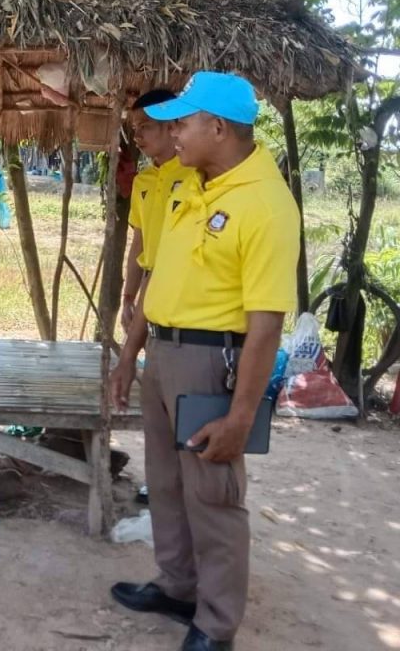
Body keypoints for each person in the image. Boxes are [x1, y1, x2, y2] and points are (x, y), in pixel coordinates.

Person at [109, 72, 300, 651]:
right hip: (163, 353)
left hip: (211, 362)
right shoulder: (190, 186)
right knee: (166, 484)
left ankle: (216, 624)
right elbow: (158, 276)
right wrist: (129, 356)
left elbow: (266, 325)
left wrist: (241, 416)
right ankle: (178, 586)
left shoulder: (265, 205)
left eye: (183, 123)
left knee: (213, 494)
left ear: (217, 128)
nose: (174, 133)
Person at [121, 89, 197, 334]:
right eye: (135, 128)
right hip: (150, 285)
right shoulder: (143, 181)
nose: (137, 136)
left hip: (187, 287)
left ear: (172, 126)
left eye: (145, 127)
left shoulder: (196, 175)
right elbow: (139, 242)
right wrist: (128, 297)